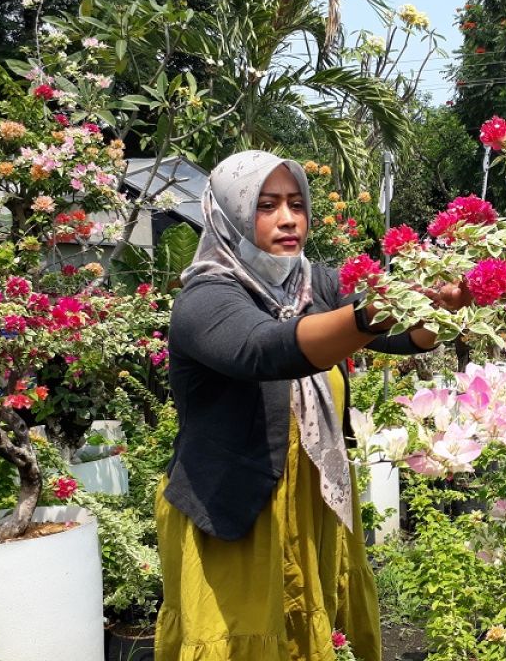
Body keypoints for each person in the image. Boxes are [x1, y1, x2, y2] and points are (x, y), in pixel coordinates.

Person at [155, 151, 466, 661]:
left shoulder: (314, 284)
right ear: (229, 213)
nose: (288, 219)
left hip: (312, 499)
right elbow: (266, 349)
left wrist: (442, 303)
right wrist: (373, 313)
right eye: (267, 205)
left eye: (296, 204)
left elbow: (405, 338)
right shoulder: (204, 299)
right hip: (235, 511)